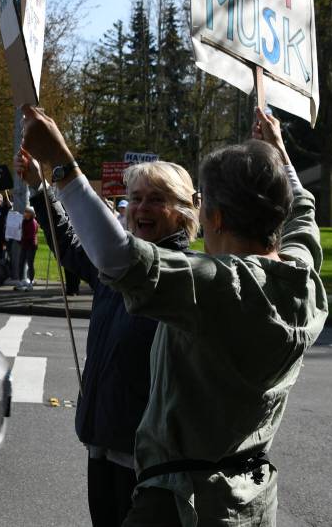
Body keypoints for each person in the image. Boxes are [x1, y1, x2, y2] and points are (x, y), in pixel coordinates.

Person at [19, 106, 327, 527]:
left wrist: (61, 163)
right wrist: (278, 151)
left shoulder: (216, 287)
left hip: (180, 502)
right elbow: (304, 210)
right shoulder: (301, 275)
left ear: (211, 216)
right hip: (246, 497)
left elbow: (118, 257)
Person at [18, 153, 198, 526]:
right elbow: (69, 244)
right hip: (101, 439)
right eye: (134, 198)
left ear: (182, 212)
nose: (140, 208)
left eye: (155, 199)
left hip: (147, 459)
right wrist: (39, 188)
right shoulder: (116, 263)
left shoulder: (183, 275)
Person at [15, 206, 39, 291]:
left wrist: (21, 239)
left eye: (26, 212)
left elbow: (31, 236)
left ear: (30, 213)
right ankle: (21, 281)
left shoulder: (33, 222)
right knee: (21, 263)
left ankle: (31, 282)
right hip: (24, 245)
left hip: (31, 246)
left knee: (30, 263)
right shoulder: (24, 221)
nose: (24, 213)